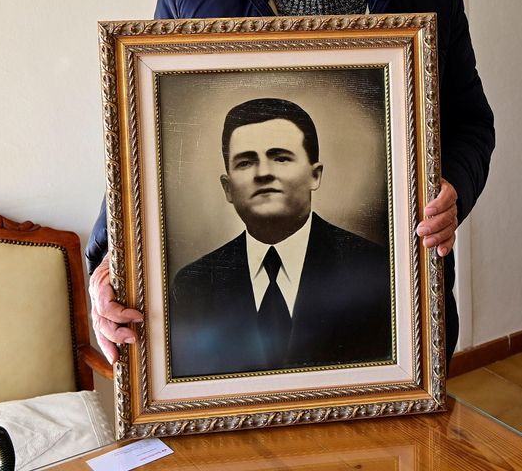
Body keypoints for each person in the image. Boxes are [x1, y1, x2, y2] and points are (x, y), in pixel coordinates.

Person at [87, 0, 495, 370]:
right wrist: (110, 260)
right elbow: (144, 146)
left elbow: (471, 123)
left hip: (399, 302)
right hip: (230, 336)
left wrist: (455, 187)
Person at [168, 98, 392, 377]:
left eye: (280, 157)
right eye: (246, 162)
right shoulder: (192, 284)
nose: (263, 173)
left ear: (315, 175)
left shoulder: (376, 270)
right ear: (228, 188)